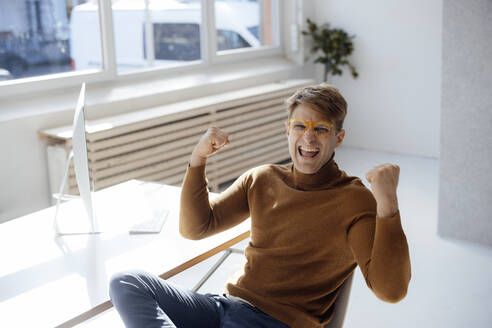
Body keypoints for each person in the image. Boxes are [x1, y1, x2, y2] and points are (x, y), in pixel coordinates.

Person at [109, 83, 411, 328]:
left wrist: (388, 205)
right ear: (287, 130)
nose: (308, 137)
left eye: (320, 129)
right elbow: (195, 227)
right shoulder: (263, 178)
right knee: (127, 282)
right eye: (300, 126)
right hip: (223, 307)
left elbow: (391, 291)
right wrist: (197, 160)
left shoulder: (353, 198)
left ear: (338, 137)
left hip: (275, 323)